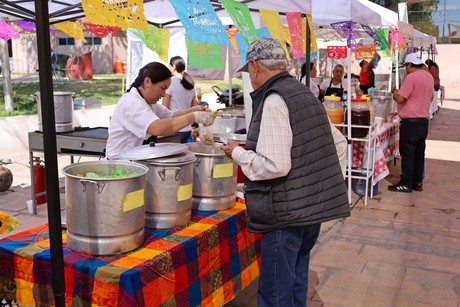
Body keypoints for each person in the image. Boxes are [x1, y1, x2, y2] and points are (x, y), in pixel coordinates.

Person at [220, 37, 350, 307]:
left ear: (255, 66)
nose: (251, 79)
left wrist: (237, 153)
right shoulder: (305, 93)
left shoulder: (275, 99)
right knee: (296, 281)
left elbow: (275, 165)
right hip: (309, 212)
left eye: (249, 73)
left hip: (285, 216)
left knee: (276, 293)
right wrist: (315, 185)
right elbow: (339, 145)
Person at [105, 62, 214, 160]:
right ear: (147, 82)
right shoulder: (132, 102)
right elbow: (157, 128)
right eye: (162, 88)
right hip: (119, 165)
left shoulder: (148, 103)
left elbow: (171, 116)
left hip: (133, 162)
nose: (163, 94)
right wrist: (194, 116)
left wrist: (195, 109)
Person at [389, 53, 434, 193]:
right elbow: (429, 97)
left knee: (408, 153)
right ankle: (417, 182)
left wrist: (394, 94)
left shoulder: (411, 77)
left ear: (409, 65)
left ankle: (406, 183)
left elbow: (401, 99)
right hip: (423, 122)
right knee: (419, 153)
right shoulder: (428, 76)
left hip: (411, 123)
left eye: (406, 66)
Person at [163, 56, 199, 143]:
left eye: (169, 66)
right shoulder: (191, 83)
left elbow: (165, 108)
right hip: (188, 128)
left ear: (174, 67)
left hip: (175, 128)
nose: (168, 68)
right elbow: (196, 107)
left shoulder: (170, 83)